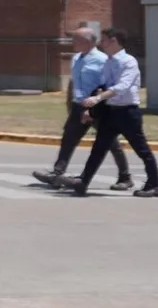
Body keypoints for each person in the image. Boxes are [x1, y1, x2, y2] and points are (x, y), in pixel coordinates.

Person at [65, 28, 158, 198]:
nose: (101, 44)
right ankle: (83, 182)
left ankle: (154, 185)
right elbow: (103, 86)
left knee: (142, 150)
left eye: (104, 40)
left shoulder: (129, 62)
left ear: (114, 41)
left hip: (128, 113)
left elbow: (121, 87)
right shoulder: (108, 62)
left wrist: (97, 98)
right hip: (110, 111)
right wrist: (93, 110)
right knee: (98, 148)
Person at [33, 26, 132, 191]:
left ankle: (125, 177)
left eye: (76, 40)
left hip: (98, 107)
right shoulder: (76, 58)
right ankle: (57, 173)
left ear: (87, 42)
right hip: (79, 105)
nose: (72, 43)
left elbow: (105, 85)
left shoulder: (102, 60)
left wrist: (94, 107)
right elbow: (74, 82)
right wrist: (70, 103)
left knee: (111, 142)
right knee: (68, 139)